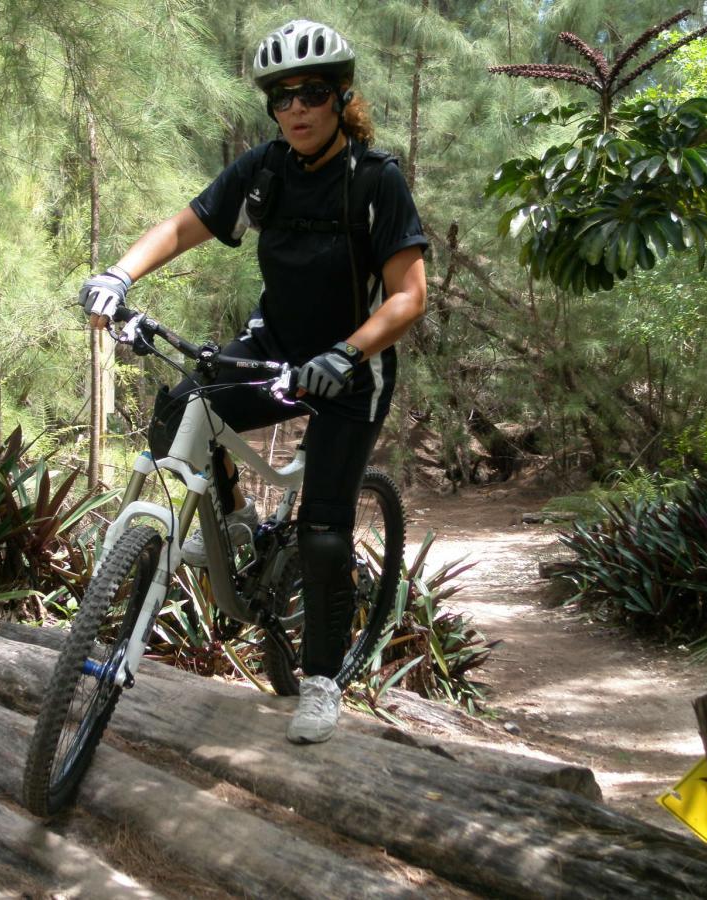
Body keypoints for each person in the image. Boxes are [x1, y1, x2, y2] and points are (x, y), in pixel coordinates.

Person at [79, 19, 427, 744]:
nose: (296, 109)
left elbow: (408, 296)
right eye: (281, 97)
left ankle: (325, 679)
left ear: (341, 97)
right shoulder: (265, 170)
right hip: (275, 358)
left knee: (324, 536)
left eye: (311, 93)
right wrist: (118, 275)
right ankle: (233, 521)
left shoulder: (374, 181)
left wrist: (347, 355)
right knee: (182, 402)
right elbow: (185, 225)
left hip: (348, 373)